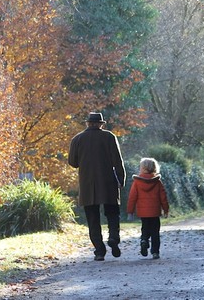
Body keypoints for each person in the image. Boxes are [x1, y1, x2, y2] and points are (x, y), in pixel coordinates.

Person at [68, 112, 126, 261]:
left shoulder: (77, 139)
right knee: (112, 213)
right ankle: (113, 237)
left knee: (92, 218)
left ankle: (99, 251)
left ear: (87, 123)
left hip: (87, 184)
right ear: (101, 124)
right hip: (108, 183)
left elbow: (73, 162)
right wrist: (121, 179)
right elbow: (117, 161)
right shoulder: (109, 137)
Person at [127, 157, 169, 259]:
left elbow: (132, 198)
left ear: (142, 168)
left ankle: (144, 240)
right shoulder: (157, 182)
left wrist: (130, 212)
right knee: (155, 232)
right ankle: (155, 252)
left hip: (143, 212)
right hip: (155, 212)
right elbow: (163, 197)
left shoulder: (137, 182)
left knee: (145, 228)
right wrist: (166, 210)